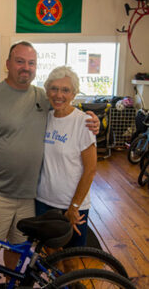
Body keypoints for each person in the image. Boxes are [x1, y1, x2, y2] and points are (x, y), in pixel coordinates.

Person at [0, 41, 99, 269]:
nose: (26, 67)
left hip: (30, 197)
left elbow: (65, 106)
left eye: (31, 63)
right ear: (8, 64)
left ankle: (10, 284)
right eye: (20, 61)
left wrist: (93, 121)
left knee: (18, 251)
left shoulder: (42, 98)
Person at [36, 66, 97, 260]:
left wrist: (74, 207)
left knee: (71, 260)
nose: (58, 95)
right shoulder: (44, 118)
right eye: (53, 88)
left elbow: (90, 170)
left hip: (72, 205)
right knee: (51, 255)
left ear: (74, 93)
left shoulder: (84, 122)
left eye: (65, 90)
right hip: (44, 201)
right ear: (47, 91)